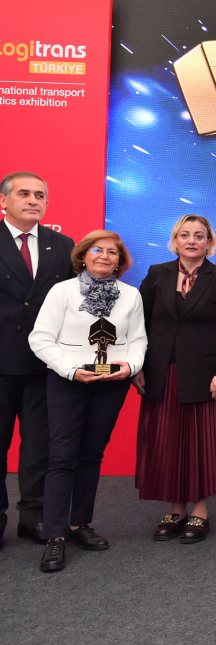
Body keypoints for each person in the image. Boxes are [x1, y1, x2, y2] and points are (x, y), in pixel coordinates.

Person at [29, 230, 147, 572]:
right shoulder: (62, 291)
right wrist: (71, 370)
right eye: (98, 250)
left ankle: (79, 524)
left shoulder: (130, 295)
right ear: (83, 256)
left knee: (91, 455)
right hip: (68, 382)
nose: (105, 256)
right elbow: (40, 338)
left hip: (111, 385)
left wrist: (130, 366)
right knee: (62, 457)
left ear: (120, 261)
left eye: (112, 252)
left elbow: (138, 340)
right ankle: (54, 535)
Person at [132, 215, 216, 544]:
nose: (192, 241)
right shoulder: (156, 273)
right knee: (166, 441)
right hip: (161, 372)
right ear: (175, 240)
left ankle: (200, 510)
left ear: (210, 243)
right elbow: (138, 324)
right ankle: (176, 509)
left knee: (202, 443)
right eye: (185, 235)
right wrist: (137, 366)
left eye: (199, 236)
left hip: (205, 376)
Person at [0, 171, 74, 549]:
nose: (33, 200)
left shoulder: (62, 245)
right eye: (24, 194)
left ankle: (33, 518)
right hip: (0, 364)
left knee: (38, 449)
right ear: (4, 201)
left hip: (44, 365)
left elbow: (75, 302)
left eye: (40, 195)